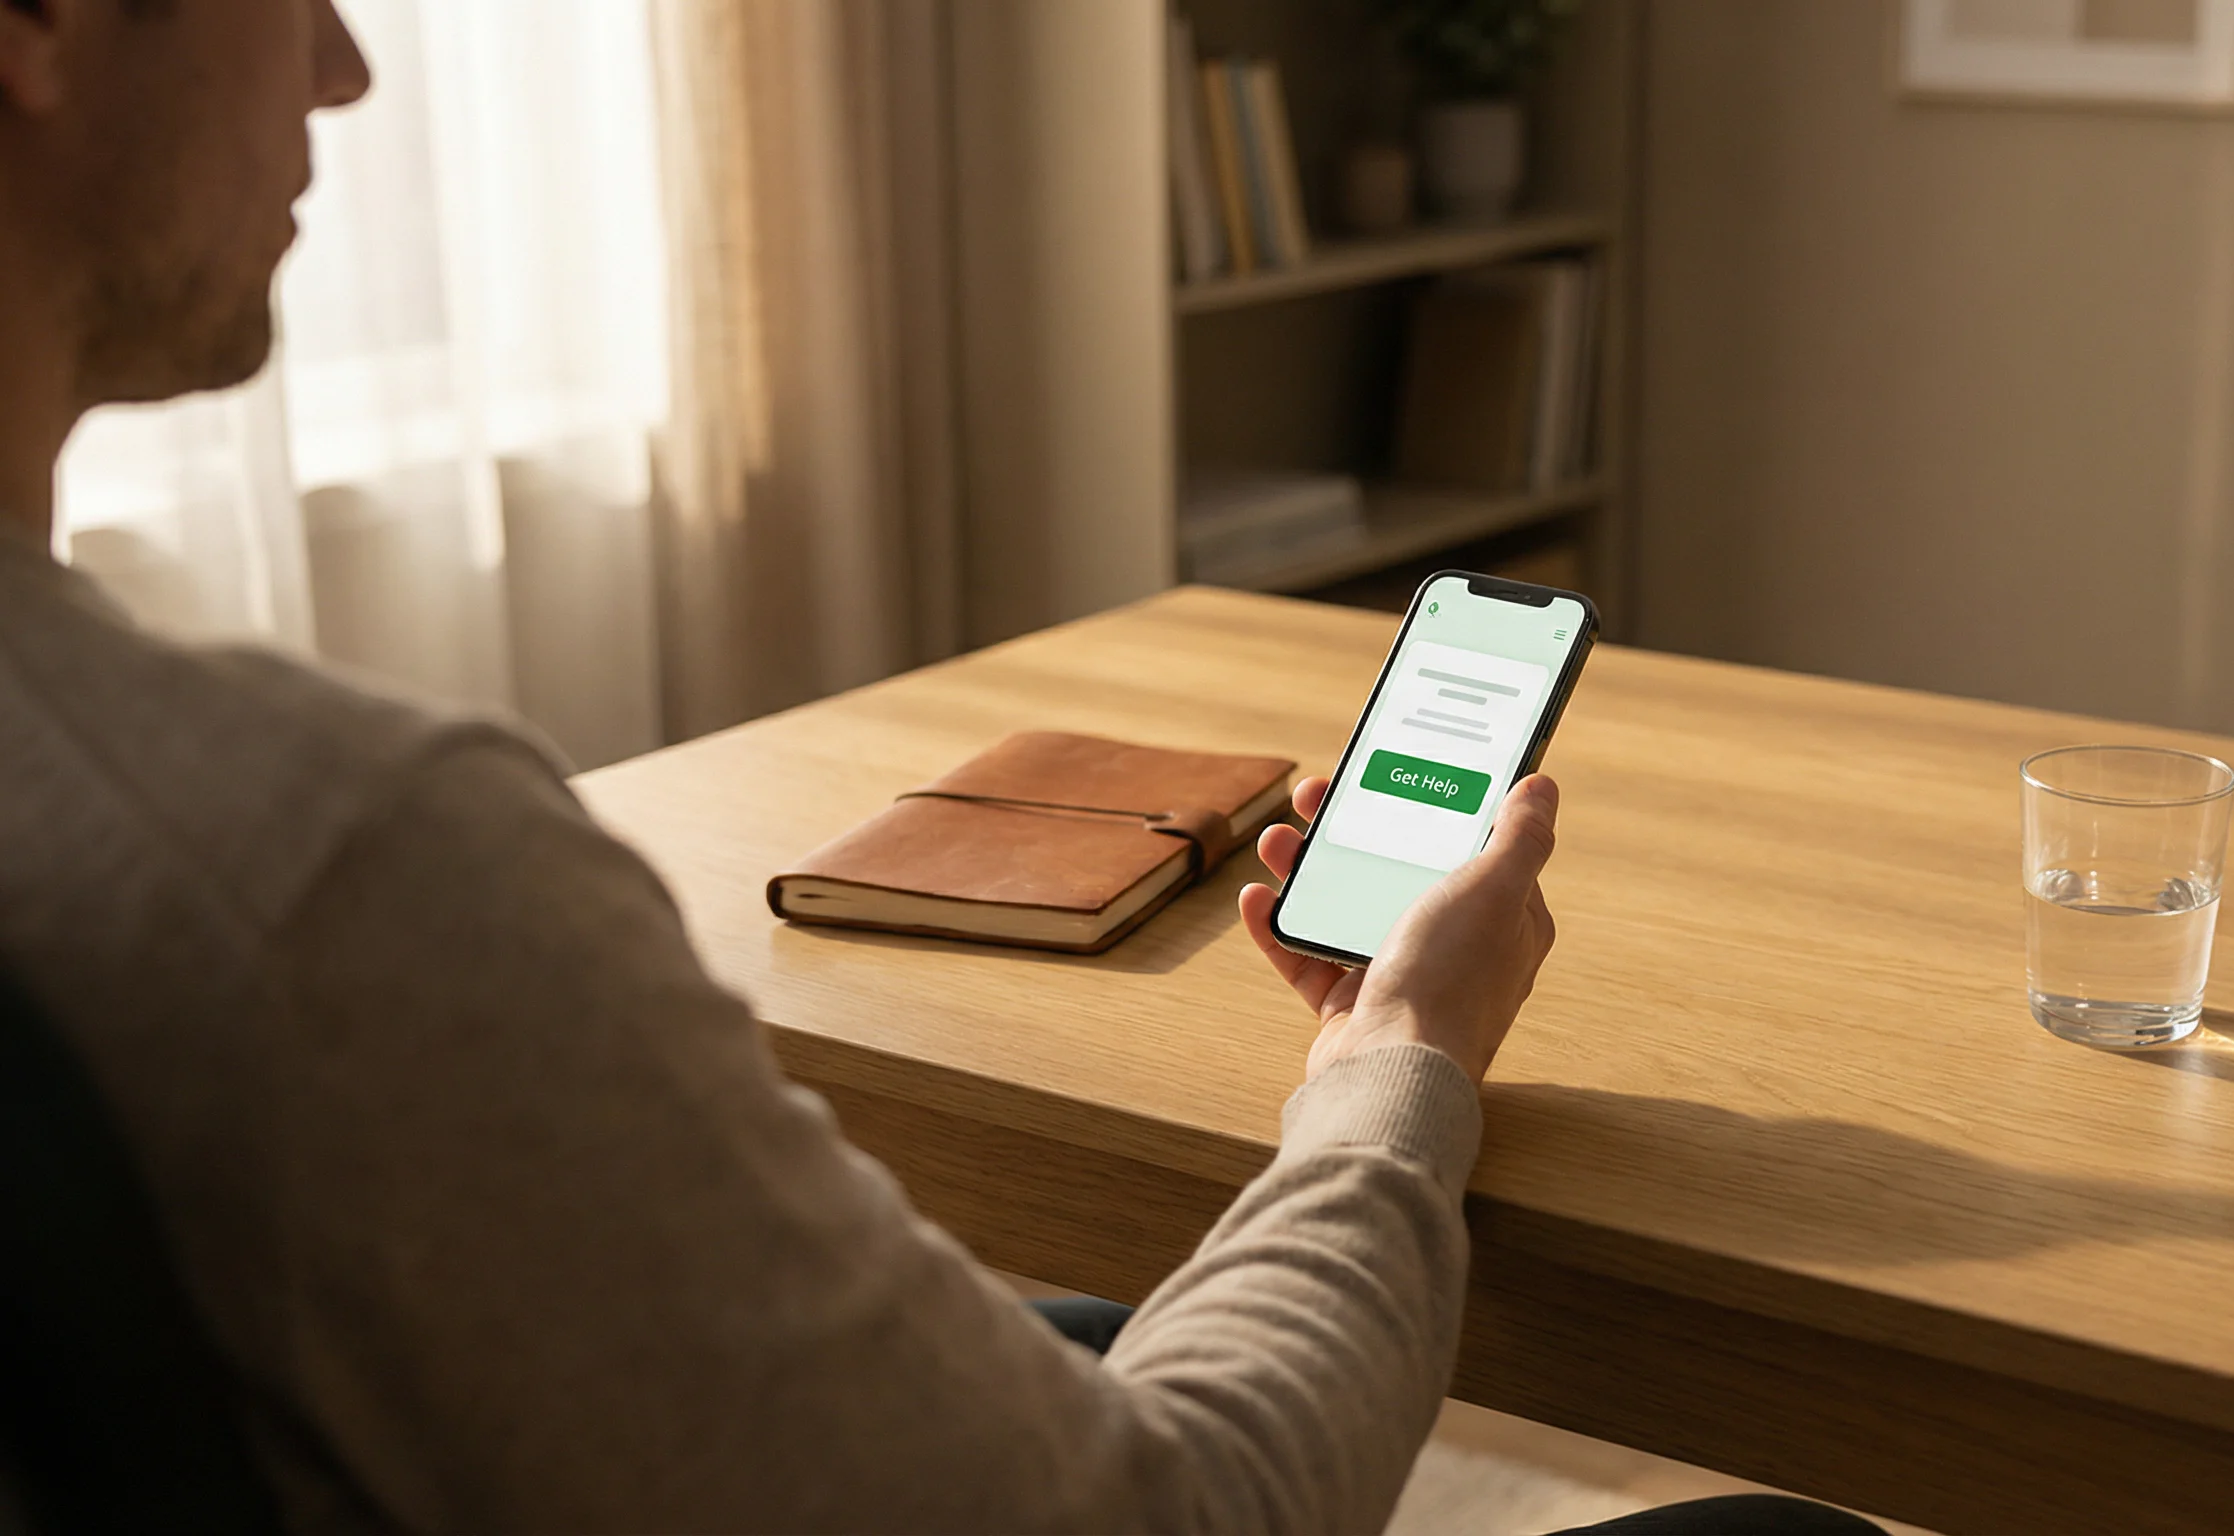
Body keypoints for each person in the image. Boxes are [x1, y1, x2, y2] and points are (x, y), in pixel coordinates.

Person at [0, 1, 1875, 1531]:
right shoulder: (347, 873)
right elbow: (1185, 1509)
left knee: (1077, 1327)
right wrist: (1399, 1066)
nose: (342, 61)